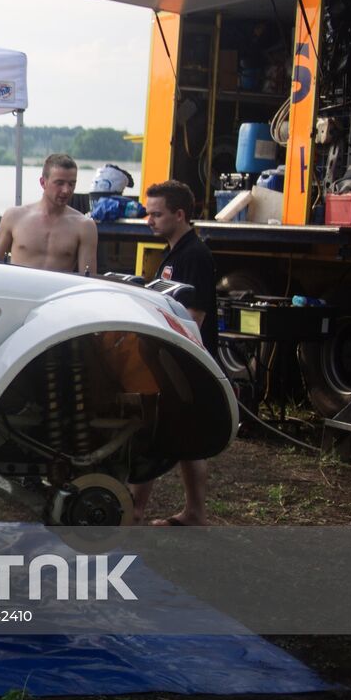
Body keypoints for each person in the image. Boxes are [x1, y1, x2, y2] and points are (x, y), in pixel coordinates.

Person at [132, 180, 217, 526]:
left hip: (184, 359)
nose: (149, 220)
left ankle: (135, 511)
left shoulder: (194, 255)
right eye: (148, 213)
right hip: (174, 357)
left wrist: (166, 356)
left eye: (156, 214)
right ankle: (194, 512)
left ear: (179, 214)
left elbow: (194, 317)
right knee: (183, 439)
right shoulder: (175, 251)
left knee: (154, 433)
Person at [0, 153, 98, 274]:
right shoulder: (14, 217)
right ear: (43, 182)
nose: (66, 190)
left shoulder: (84, 226)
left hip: (58, 291)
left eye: (71, 184)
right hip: (19, 289)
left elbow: (88, 277)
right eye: (59, 183)